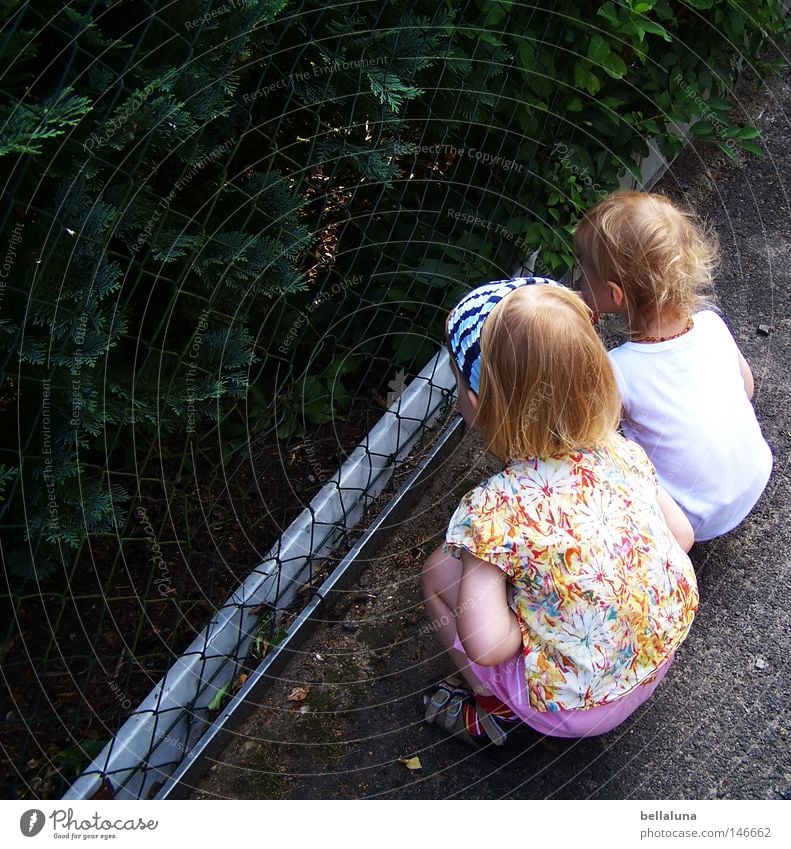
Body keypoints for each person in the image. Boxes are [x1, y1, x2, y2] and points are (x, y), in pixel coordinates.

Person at [421, 278, 698, 750]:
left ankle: (495, 706)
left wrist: (480, 561)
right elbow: (683, 536)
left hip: (577, 709)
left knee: (435, 575)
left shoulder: (492, 511)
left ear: (478, 403)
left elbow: (490, 645)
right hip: (659, 651)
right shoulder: (621, 450)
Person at [573, 190, 772, 542]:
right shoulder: (711, 324)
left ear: (615, 295)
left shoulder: (618, 368)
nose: (577, 278)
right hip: (756, 475)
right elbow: (748, 388)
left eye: (582, 270)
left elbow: (588, 434)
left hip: (693, 517)